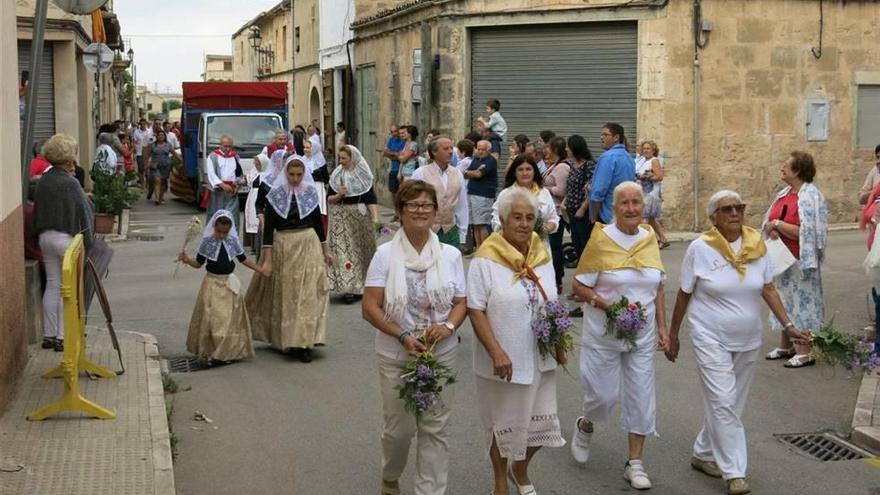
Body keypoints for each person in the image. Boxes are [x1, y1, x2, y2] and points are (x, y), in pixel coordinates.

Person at [666, 190, 810, 495]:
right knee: (723, 401)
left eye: (739, 207)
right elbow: (684, 293)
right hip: (709, 335)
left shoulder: (757, 244)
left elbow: (768, 288)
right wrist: (674, 335)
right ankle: (734, 472)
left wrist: (789, 325)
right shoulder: (700, 248)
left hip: (747, 338)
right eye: (727, 209)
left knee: (731, 403)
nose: (735, 213)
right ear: (713, 217)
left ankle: (703, 453)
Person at [362, 180, 468, 495]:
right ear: (400, 212)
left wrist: (447, 327)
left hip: (441, 353)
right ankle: (390, 475)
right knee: (400, 430)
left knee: (435, 428)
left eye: (426, 205)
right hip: (397, 354)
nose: (420, 211)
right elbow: (369, 307)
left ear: (435, 212)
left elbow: (461, 302)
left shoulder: (449, 255)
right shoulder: (384, 255)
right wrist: (402, 334)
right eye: (413, 205)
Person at [468, 187, 565, 495]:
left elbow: (552, 298)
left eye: (529, 218)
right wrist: (495, 350)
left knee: (541, 425)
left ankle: (519, 467)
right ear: (502, 219)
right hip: (503, 358)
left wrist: (559, 341)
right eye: (517, 218)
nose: (523, 224)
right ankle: (500, 480)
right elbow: (475, 308)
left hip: (539, 355)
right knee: (503, 423)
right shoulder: (486, 258)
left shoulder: (541, 253)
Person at [570, 182, 667, 491]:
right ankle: (586, 422)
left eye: (636, 202)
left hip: (641, 334)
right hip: (604, 334)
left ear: (643, 206)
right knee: (603, 396)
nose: (631, 208)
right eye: (624, 203)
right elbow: (580, 287)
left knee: (641, 396)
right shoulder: (601, 240)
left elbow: (658, 287)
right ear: (614, 208)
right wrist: (608, 305)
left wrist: (663, 329)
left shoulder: (649, 237)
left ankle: (635, 462)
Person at [247, 155, 332, 362]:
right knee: (289, 294)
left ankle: (305, 342)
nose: (295, 178)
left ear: (304, 174)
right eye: (292, 174)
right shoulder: (276, 195)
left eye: (299, 174)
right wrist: (267, 260)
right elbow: (268, 233)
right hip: (284, 245)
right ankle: (289, 338)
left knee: (308, 294)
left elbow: (318, 225)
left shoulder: (310, 193)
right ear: (286, 173)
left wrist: (325, 250)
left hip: (308, 244)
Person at [762, 151, 828, 368]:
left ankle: (805, 350)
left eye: (786, 165)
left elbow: (807, 232)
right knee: (784, 301)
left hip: (800, 260)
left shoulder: (811, 196)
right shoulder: (785, 193)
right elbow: (771, 219)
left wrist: (778, 226)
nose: (782, 168)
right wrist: (771, 228)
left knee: (803, 304)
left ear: (798, 170)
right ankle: (786, 345)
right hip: (782, 258)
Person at [33, 134, 95, 352]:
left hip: (44, 237)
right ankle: (62, 336)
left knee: (52, 283)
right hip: (65, 239)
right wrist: (90, 241)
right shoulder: (71, 183)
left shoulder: (43, 182)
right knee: (67, 288)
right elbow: (85, 214)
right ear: (68, 160)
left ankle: (49, 334)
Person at [178, 210, 262, 363]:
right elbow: (198, 263)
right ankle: (212, 351)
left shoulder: (232, 241)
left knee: (229, 321)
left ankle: (226, 352)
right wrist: (187, 259)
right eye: (219, 231)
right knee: (215, 320)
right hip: (212, 284)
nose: (222, 235)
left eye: (225, 232)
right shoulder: (208, 242)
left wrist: (260, 269)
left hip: (229, 284)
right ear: (214, 227)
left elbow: (243, 259)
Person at [326, 145, 380, 304]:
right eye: (340, 158)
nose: (341, 161)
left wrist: (376, 219)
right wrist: (338, 195)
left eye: (344, 158)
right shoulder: (337, 175)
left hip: (360, 217)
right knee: (345, 251)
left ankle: (362, 285)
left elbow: (371, 199)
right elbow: (329, 199)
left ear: (353, 158)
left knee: (361, 252)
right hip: (341, 217)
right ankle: (348, 287)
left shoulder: (363, 175)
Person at [491, 155, 559, 251]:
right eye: (520, 169)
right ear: (514, 172)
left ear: (534, 171)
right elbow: (496, 221)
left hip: (540, 247)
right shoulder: (506, 194)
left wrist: (544, 231)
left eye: (528, 169)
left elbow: (553, 218)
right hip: (513, 248)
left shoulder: (544, 193)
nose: (525, 173)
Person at [413, 136, 469, 247]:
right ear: (434, 152)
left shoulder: (457, 173)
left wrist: (462, 233)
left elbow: (462, 204)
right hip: (427, 229)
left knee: (450, 262)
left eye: (451, 148)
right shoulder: (420, 173)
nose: (450, 151)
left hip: (450, 230)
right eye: (445, 148)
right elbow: (412, 202)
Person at [590, 123, 636, 225]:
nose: (601, 138)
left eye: (605, 135)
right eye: (601, 135)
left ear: (616, 137)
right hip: (623, 215)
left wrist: (593, 217)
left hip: (607, 217)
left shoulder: (607, 157)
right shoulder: (629, 157)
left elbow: (598, 191)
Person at [562, 135, 597, 269]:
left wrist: (582, 208)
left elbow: (592, 188)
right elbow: (570, 186)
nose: (566, 149)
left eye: (568, 146)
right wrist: (565, 202)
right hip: (571, 211)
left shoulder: (588, 165)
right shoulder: (572, 165)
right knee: (577, 244)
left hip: (582, 213)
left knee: (584, 246)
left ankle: (587, 277)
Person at [542, 137, 570, 295]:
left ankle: (557, 279)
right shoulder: (553, 166)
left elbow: (561, 190)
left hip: (557, 212)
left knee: (554, 247)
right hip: (549, 210)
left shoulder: (562, 168)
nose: (546, 151)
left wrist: (545, 188)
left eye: (548, 148)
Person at [205, 135, 245, 232]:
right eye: (225, 146)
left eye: (230, 146)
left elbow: (239, 174)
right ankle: (215, 239)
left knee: (232, 216)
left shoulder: (235, 156)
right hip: (218, 192)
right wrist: (221, 184)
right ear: (220, 145)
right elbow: (211, 174)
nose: (228, 149)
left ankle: (232, 240)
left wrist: (237, 185)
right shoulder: (213, 156)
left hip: (231, 192)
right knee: (217, 216)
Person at [464, 140, 498, 249]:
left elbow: (478, 174)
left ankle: (483, 249)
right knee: (474, 223)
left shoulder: (491, 161)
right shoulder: (476, 159)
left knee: (482, 223)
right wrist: (472, 172)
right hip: (472, 193)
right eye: (478, 149)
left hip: (483, 195)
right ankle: (478, 248)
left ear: (488, 150)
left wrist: (472, 173)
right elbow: (466, 173)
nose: (480, 151)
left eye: (482, 149)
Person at [637, 140, 669, 248]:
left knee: (643, 218)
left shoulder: (654, 161)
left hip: (650, 193)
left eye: (648, 148)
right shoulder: (642, 160)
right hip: (642, 192)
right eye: (644, 148)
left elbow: (659, 176)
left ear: (653, 150)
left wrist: (645, 177)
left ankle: (646, 243)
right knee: (651, 219)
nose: (645, 150)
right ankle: (663, 239)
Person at [149, 131, 174, 205]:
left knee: (163, 182)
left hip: (165, 166)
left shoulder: (168, 145)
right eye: (159, 135)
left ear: (165, 137)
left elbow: (174, 153)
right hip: (155, 166)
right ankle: (156, 199)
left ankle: (161, 197)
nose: (161, 136)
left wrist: (182, 161)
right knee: (157, 180)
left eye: (162, 135)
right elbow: (147, 154)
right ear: (157, 137)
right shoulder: (153, 145)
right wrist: (147, 164)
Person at [382, 124, 406, 194]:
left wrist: (391, 154)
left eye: (395, 131)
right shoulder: (391, 140)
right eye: (392, 132)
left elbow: (402, 157)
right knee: (393, 191)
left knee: (402, 192)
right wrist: (395, 154)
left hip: (402, 170)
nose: (393, 134)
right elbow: (384, 153)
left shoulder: (404, 141)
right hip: (392, 169)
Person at [132, 119, 153, 186]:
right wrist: (134, 150)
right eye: (141, 124)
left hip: (148, 153)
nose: (143, 125)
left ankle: (147, 182)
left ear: (146, 124)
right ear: (139, 124)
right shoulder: (136, 132)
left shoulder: (149, 132)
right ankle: (142, 184)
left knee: (147, 170)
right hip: (139, 153)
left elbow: (151, 142)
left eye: (144, 124)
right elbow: (134, 142)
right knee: (141, 169)